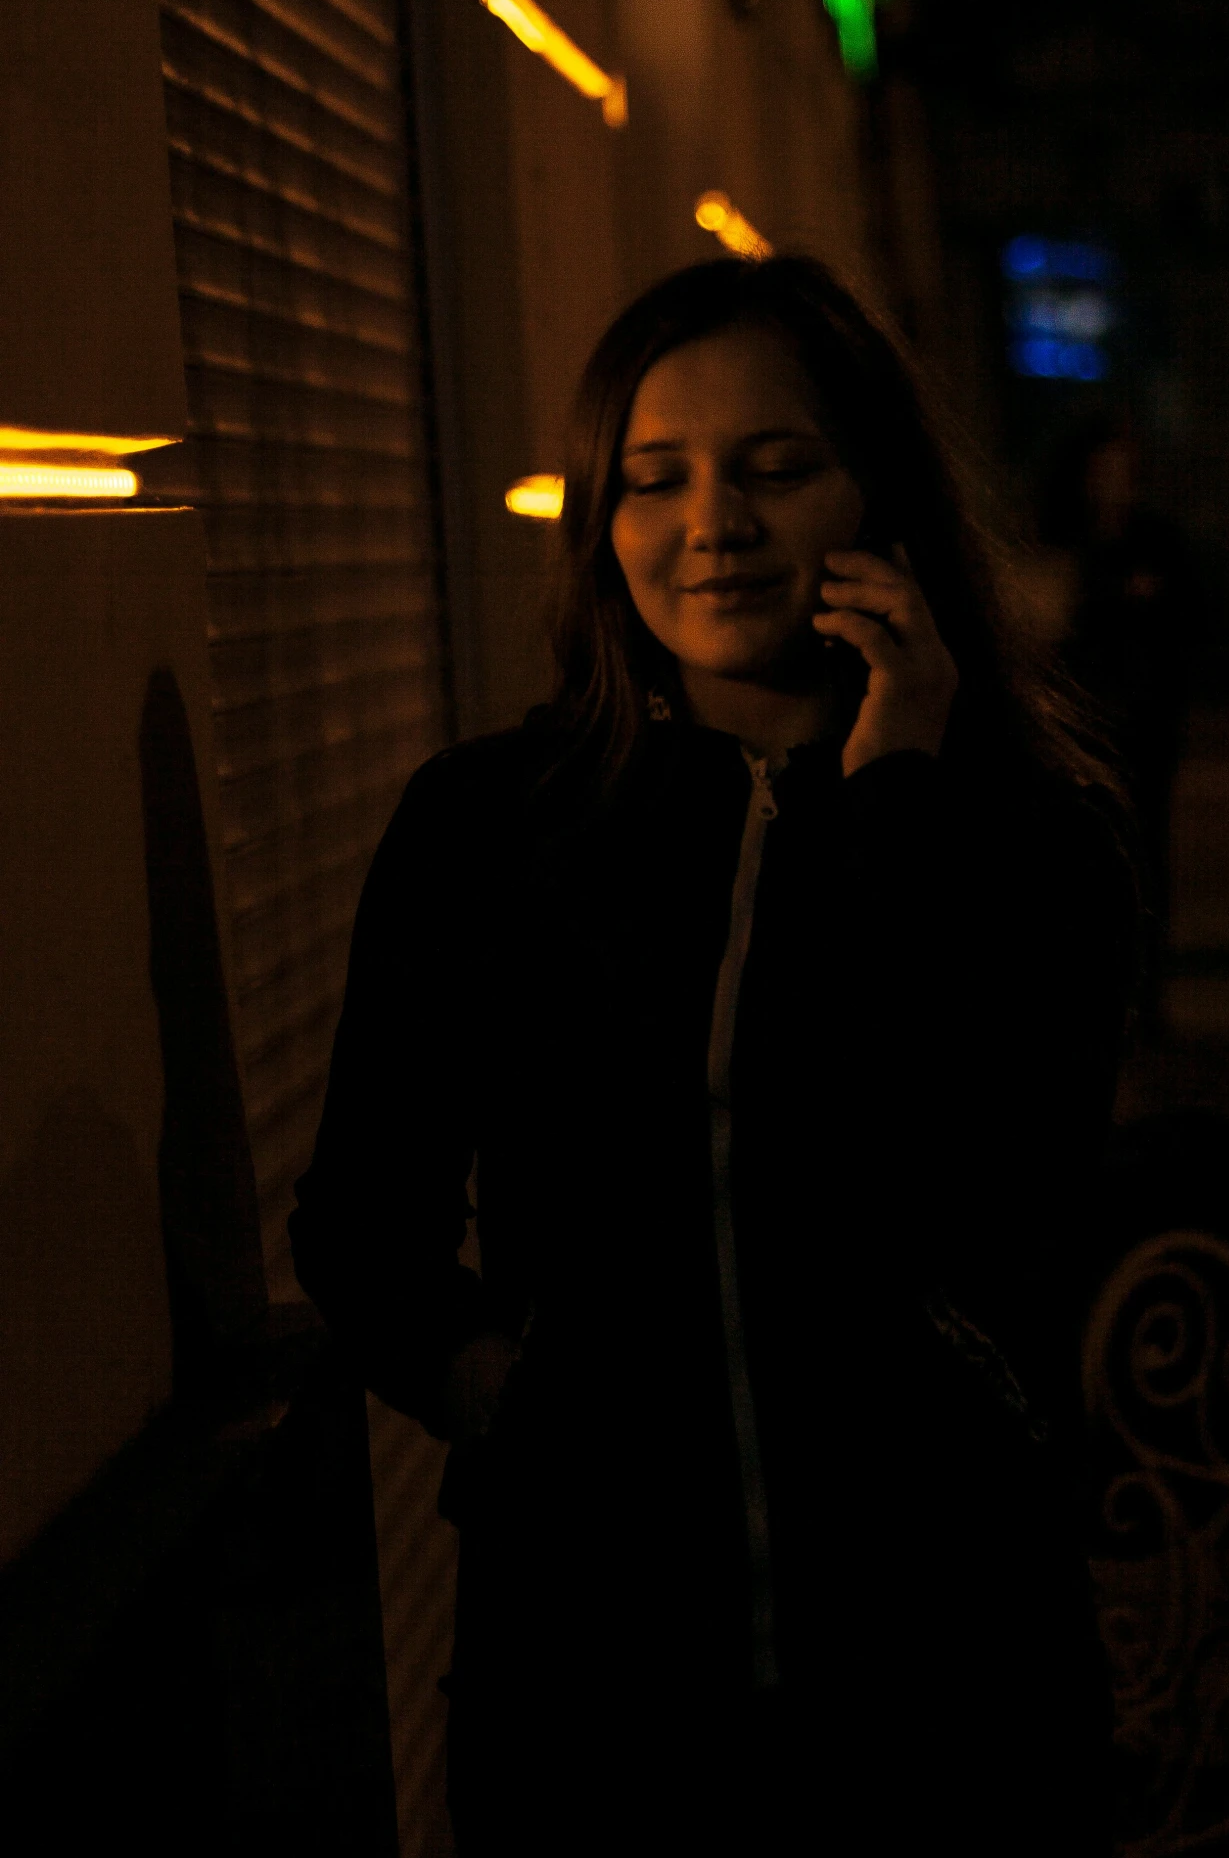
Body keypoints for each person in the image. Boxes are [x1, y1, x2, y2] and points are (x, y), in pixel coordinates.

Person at [289, 258, 1137, 1850]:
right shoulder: (490, 827)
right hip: (595, 1677)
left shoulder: (1027, 831)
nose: (711, 524)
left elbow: (1003, 1179)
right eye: (653, 477)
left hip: (946, 1669)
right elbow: (358, 1220)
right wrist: (505, 1399)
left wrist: (896, 810)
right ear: (598, 522)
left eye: (773, 467)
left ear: (872, 489)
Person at [1039, 418, 1200, 1025]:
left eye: (1123, 470)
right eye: (1103, 470)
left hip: (1147, 723)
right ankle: (1094, 989)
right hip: (1078, 727)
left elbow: (1190, 618)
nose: (1113, 483)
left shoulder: (1156, 539)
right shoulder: (1062, 541)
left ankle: (1148, 990)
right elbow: (1043, 627)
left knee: (1148, 854)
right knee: (1081, 855)